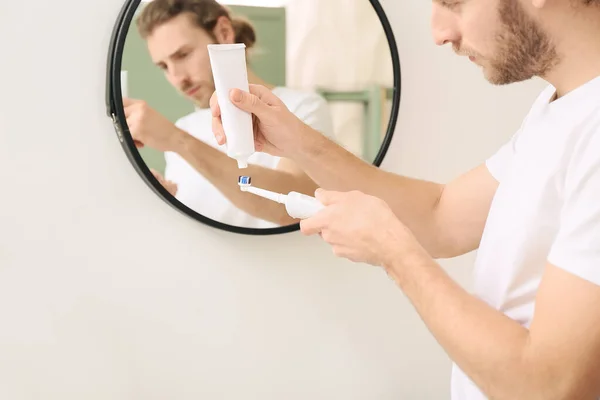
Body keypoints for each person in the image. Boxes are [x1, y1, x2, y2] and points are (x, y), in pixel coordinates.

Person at [207, 0, 600, 398]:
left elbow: (550, 386)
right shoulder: (561, 106)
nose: (440, 33)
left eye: (453, 3)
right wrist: (296, 142)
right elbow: (441, 217)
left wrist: (394, 254)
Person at [123, 0, 334, 228]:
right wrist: (168, 201)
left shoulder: (302, 107)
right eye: (164, 66)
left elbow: (289, 209)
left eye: (183, 55)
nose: (177, 78)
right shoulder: (184, 127)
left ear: (224, 33)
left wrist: (177, 140)